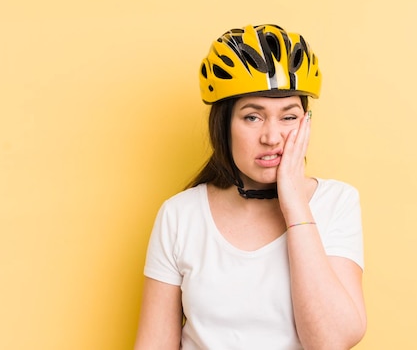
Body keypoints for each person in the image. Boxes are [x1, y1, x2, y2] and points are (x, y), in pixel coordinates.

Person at [134, 24, 367, 350]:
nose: (272, 138)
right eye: (252, 117)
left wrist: (295, 204)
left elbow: (331, 341)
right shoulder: (180, 215)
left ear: (306, 123)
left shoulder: (336, 202)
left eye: (288, 117)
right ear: (223, 124)